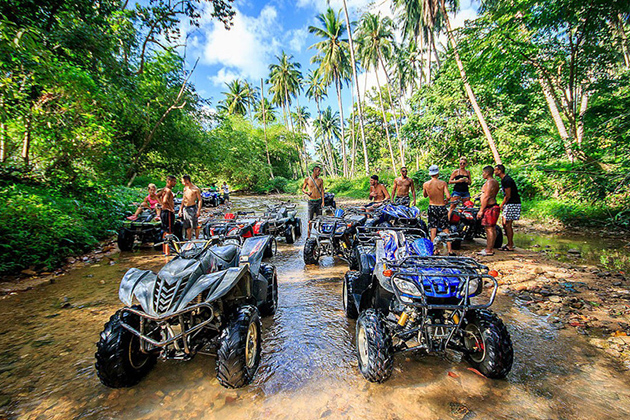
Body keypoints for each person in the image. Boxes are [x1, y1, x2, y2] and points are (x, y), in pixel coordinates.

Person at [423, 165, 453, 256]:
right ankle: (450, 250)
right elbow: (448, 196)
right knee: (445, 228)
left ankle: (434, 250)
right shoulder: (443, 183)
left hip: (432, 207)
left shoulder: (426, 184)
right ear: (438, 173)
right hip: (441, 206)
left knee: (433, 229)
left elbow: (425, 195)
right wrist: (446, 201)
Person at [495, 164, 521, 251]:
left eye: (495, 170)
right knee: (504, 223)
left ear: (499, 170)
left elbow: (508, 195)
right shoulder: (504, 180)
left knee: (508, 224)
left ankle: (510, 244)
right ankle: (509, 243)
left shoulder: (506, 180)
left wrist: (502, 204)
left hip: (512, 203)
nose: (494, 172)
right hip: (510, 203)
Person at [477, 166, 500, 256]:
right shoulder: (494, 182)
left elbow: (486, 196)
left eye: (483, 173)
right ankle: (490, 248)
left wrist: (481, 210)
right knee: (492, 228)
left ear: (487, 173)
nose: (482, 174)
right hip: (491, 206)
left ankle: (489, 249)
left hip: (490, 207)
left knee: (489, 228)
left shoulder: (490, 182)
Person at [302, 165, 325, 237]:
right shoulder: (307, 179)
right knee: (310, 220)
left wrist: (323, 202)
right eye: (318, 171)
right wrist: (306, 192)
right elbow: (303, 189)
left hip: (318, 201)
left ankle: (320, 235)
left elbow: (322, 191)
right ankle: (309, 237)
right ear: (314, 171)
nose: (319, 173)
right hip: (311, 202)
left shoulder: (320, 180)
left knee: (320, 219)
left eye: (320, 171)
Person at [178, 175, 202, 240]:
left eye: (183, 181)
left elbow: (199, 200)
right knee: (187, 225)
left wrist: (198, 210)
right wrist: (180, 209)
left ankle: (197, 239)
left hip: (193, 208)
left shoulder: (195, 189)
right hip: (186, 208)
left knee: (195, 225)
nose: (182, 183)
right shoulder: (185, 188)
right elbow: (183, 199)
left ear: (187, 181)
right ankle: (189, 239)